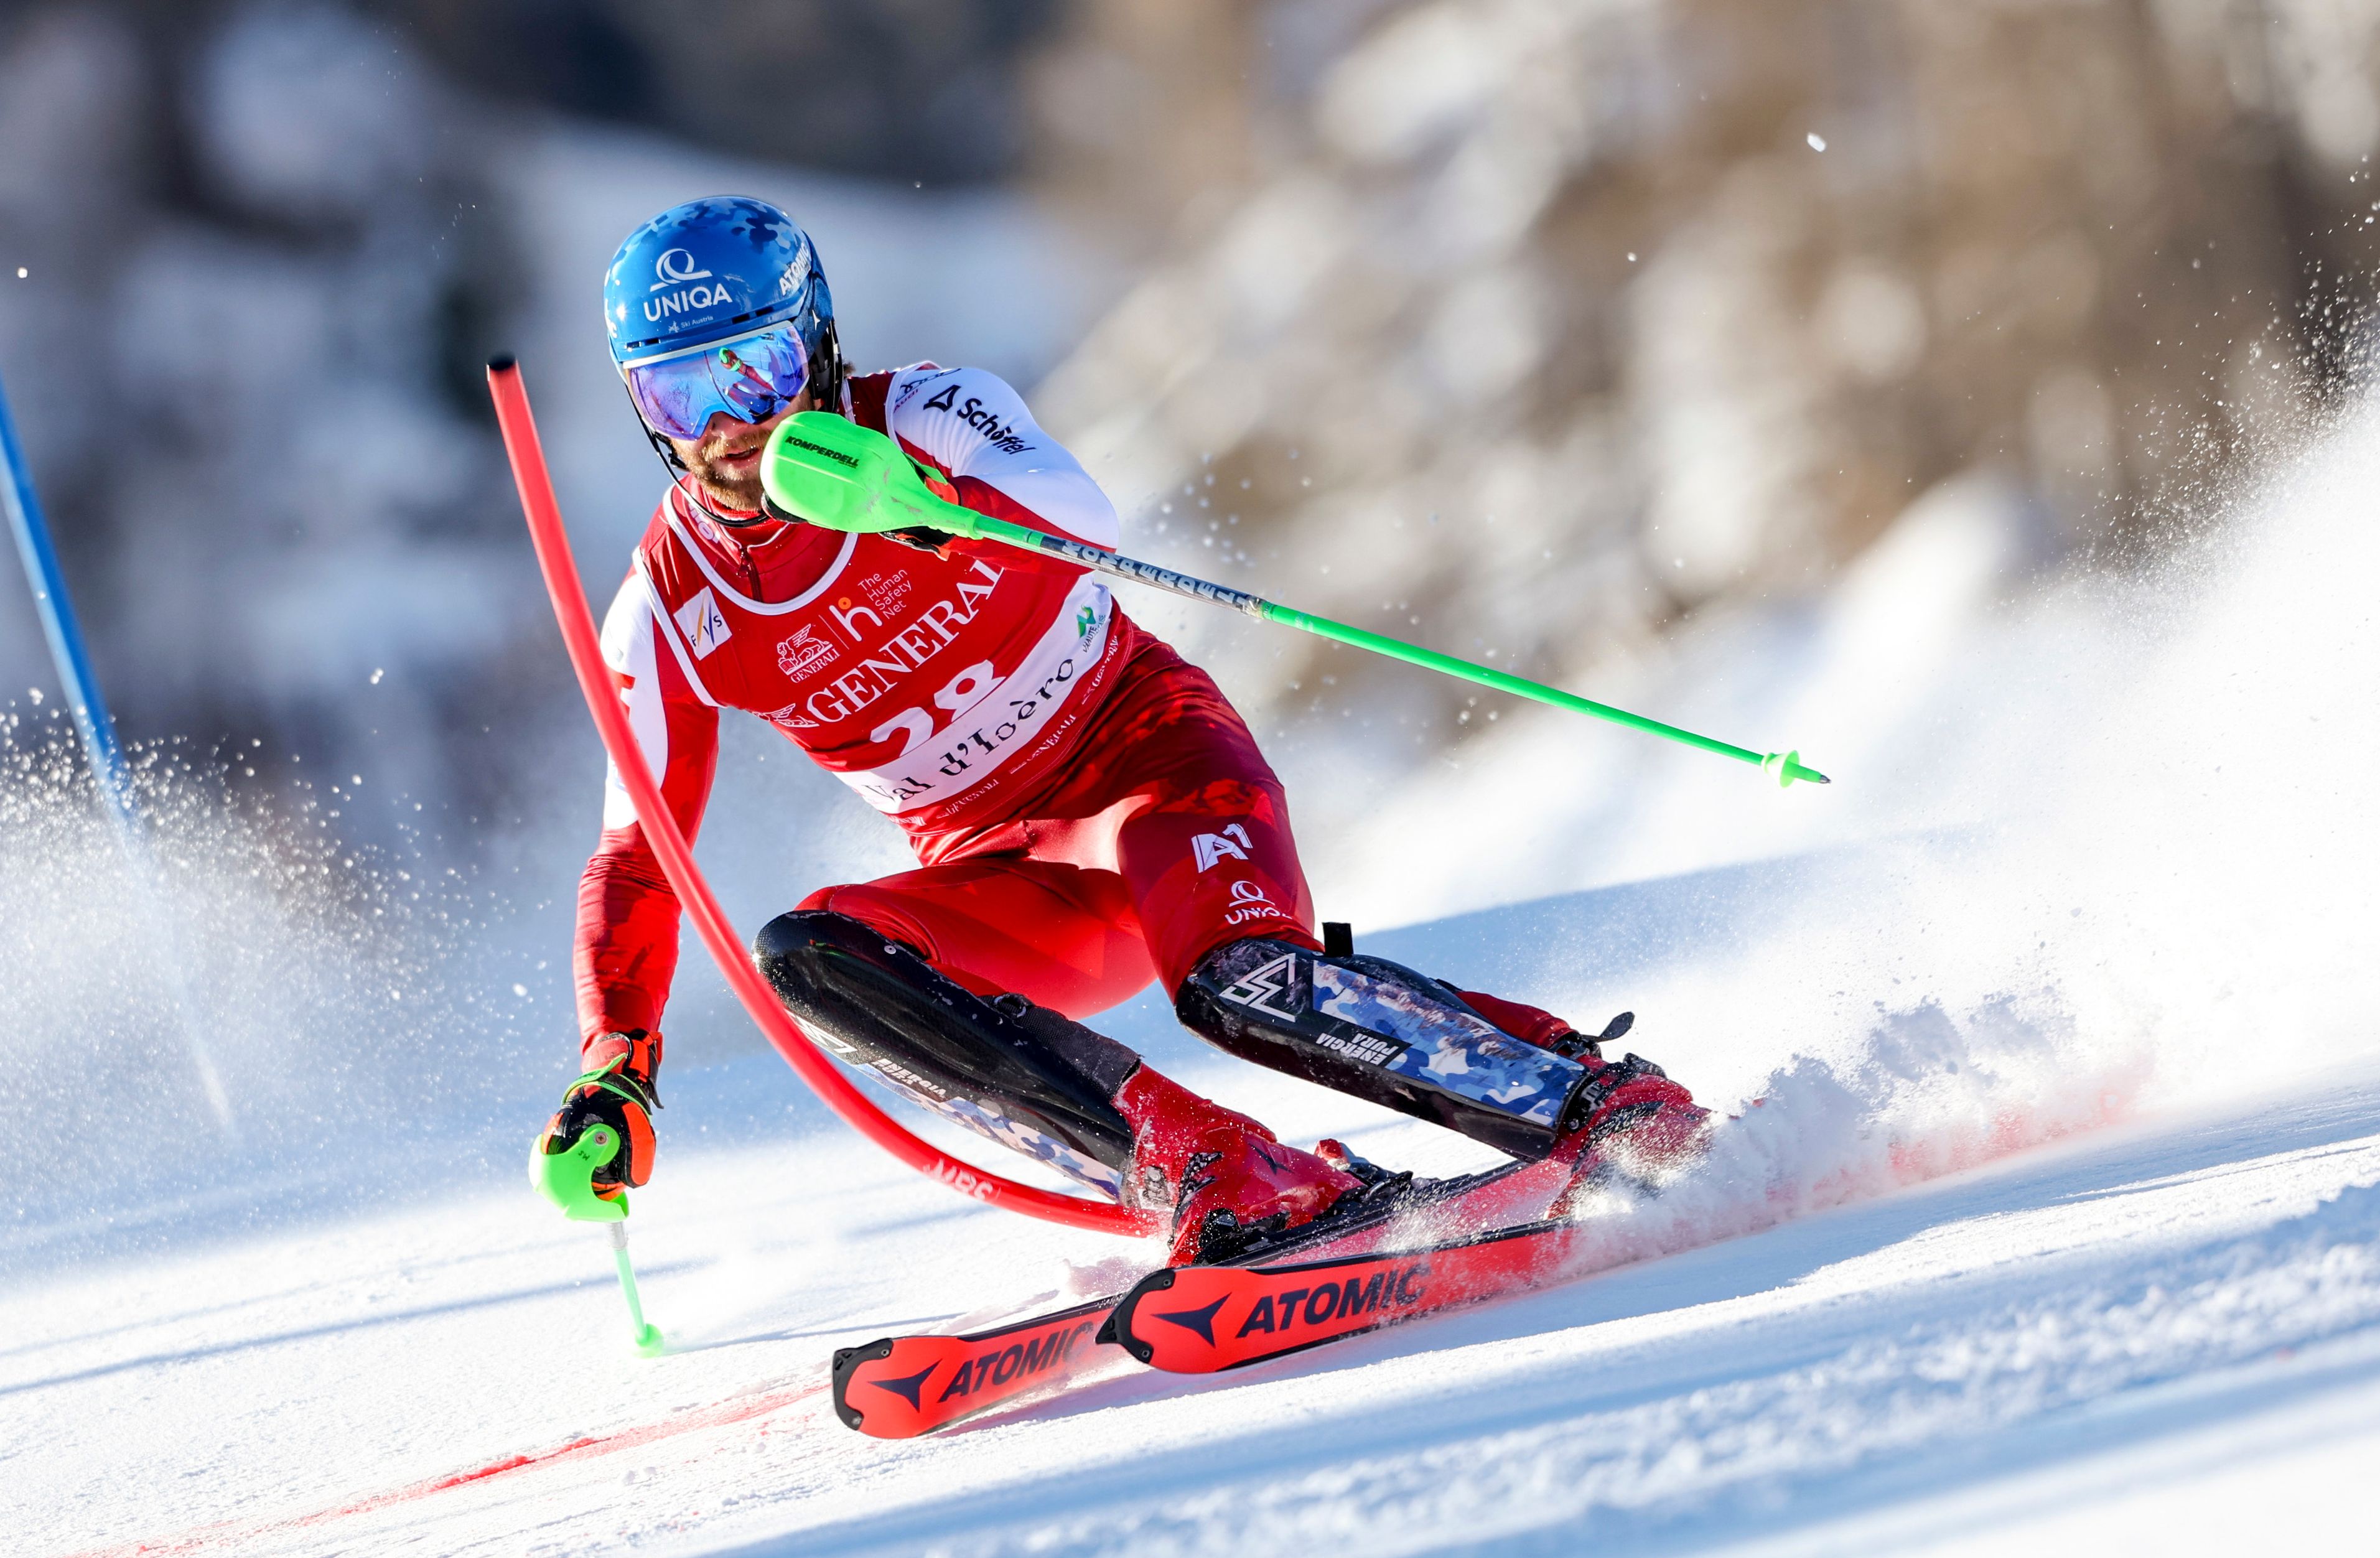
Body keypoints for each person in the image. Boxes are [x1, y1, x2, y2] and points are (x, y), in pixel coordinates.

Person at [539, 196, 1706, 1264]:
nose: (730, 432)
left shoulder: (931, 411)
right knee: (812, 958)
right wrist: (614, 1067)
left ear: (820, 345)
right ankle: (1219, 1171)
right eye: (680, 396)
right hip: (1019, 880)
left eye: (759, 373)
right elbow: (639, 857)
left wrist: (920, 509)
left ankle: (1591, 1101)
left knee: (1242, 982)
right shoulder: (669, 608)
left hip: (1155, 766)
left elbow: (1077, 514)